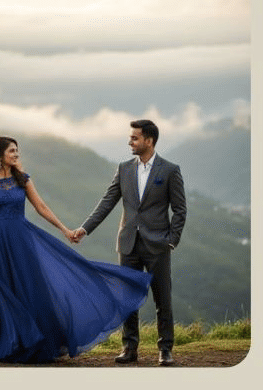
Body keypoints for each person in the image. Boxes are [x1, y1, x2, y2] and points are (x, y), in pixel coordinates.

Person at [0, 136, 152, 363]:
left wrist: (65, 230)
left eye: (17, 151)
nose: (16, 155)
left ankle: (37, 342)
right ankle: (10, 344)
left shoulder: (23, 179)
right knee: (5, 291)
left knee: (30, 289)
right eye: (12, 151)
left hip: (22, 240)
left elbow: (41, 207)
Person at [72, 119, 186, 366]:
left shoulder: (169, 170)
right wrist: (85, 228)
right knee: (127, 298)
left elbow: (180, 210)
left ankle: (165, 350)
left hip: (158, 245)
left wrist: (172, 241)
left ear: (149, 140)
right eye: (131, 137)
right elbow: (107, 202)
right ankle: (129, 348)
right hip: (128, 244)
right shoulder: (124, 168)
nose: (129, 141)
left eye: (134, 138)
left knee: (162, 300)